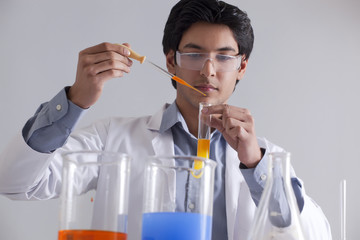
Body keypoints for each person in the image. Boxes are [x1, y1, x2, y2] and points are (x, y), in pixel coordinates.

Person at [0, 0, 332, 239]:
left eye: (224, 57)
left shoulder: (264, 159)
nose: (208, 70)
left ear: (241, 67)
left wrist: (255, 164)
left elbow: (313, 235)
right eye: (194, 54)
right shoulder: (112, 140)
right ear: (171, 62)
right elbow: (16, 182)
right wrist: (74, 100)